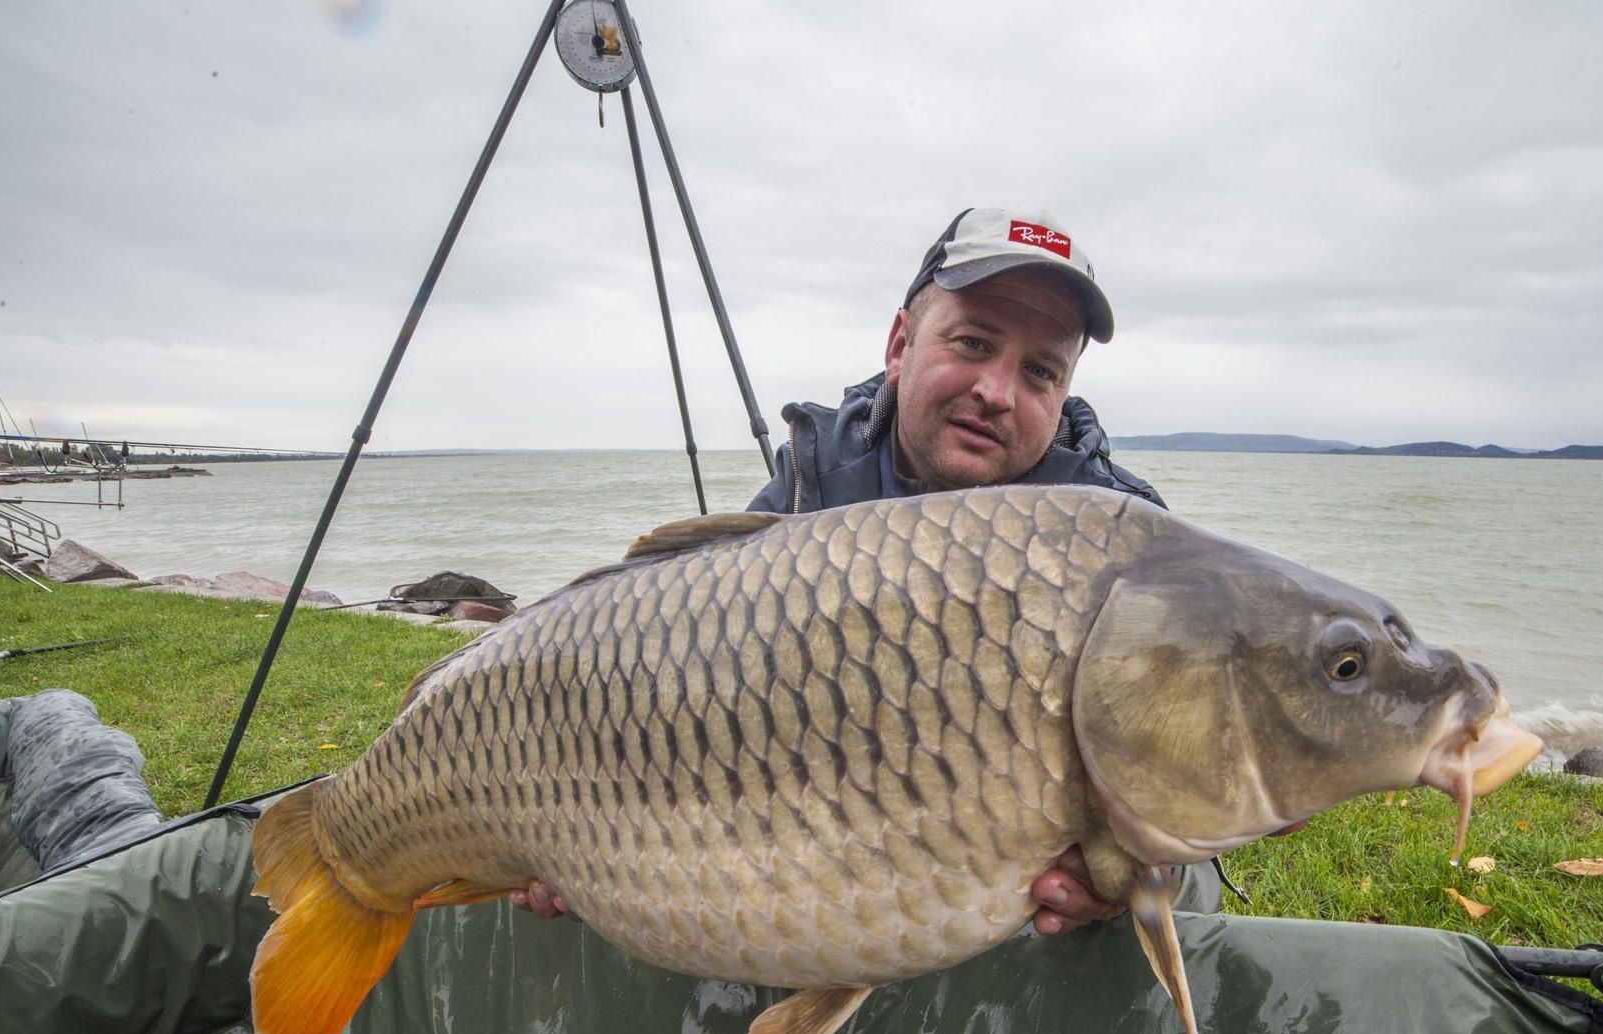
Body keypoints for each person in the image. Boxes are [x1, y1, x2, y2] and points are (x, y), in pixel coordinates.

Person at [515, 207, 1222, 931]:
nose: (997, 391)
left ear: (1064, 391)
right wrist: (588, 845)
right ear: (900, 343)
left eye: (1040, 371)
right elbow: (685, 690)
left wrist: (1143, 880)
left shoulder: (1128, 553)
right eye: (974, 342)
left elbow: (1202, 878)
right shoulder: (808, 489)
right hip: (815, 901)